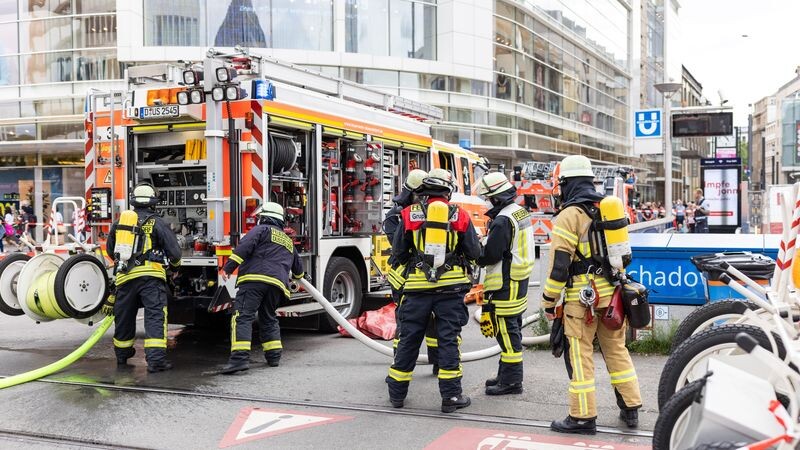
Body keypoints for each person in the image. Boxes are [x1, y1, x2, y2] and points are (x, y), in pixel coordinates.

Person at [542, 155, 642, 434]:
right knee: (617, 351)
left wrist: (549, 301)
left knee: (580, 356)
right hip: (612, 296)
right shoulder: (606, 208)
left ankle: (582, 418)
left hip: (580, 300)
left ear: (567, 184)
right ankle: (631, 408)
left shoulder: (569, 215)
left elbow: (560, 265)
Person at [387, 168, 481, 413]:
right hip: (451, 290)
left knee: (408, 340)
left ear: (424, 192)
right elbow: (474, 252)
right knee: (448, 340)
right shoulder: (459, 215)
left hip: (417, 290)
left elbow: (398, 253)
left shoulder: (409, 214)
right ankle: (451, 398)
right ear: (447, 191)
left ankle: (397, 394)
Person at [220, 202, 305, 374]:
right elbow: (299, 271)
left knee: (242, 316)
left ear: (265, 217)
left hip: (254, 280)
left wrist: (228, 268)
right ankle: (274, 356)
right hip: (277, 286)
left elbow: (243, 248)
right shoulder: (288, 241)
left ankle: (239, 360)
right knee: (269, 317)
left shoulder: (261, 230)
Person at [105, 182, 181, 372]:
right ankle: (156, 361)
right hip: (151, 278)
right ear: (153, 203)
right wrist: (174, 268)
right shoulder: (157, 222)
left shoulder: (120, 223)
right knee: (155, 317)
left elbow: (110, 249)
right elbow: (175, 253)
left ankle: (122, 356)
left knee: (124, 317)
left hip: (125, 278)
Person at [475, 172, 535, 396]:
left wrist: (476, 250)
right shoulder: (519, 212)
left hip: (505, 283)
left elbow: (491, 255)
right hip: (518, 280)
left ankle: (511, 382)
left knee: (507, 332)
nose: (487, 202)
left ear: (496, 198)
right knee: (510, 329)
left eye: (488, 198)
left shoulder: (502, 221)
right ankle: (505, 375)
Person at [383, 169, 441, 373]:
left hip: (426, 275)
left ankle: (437, 362)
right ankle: (400, 363)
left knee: (434, 321)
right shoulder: (397, 215)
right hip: (404, 277)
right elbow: (399, 247)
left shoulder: (429, 211)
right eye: (420, 194)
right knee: (406, 322)